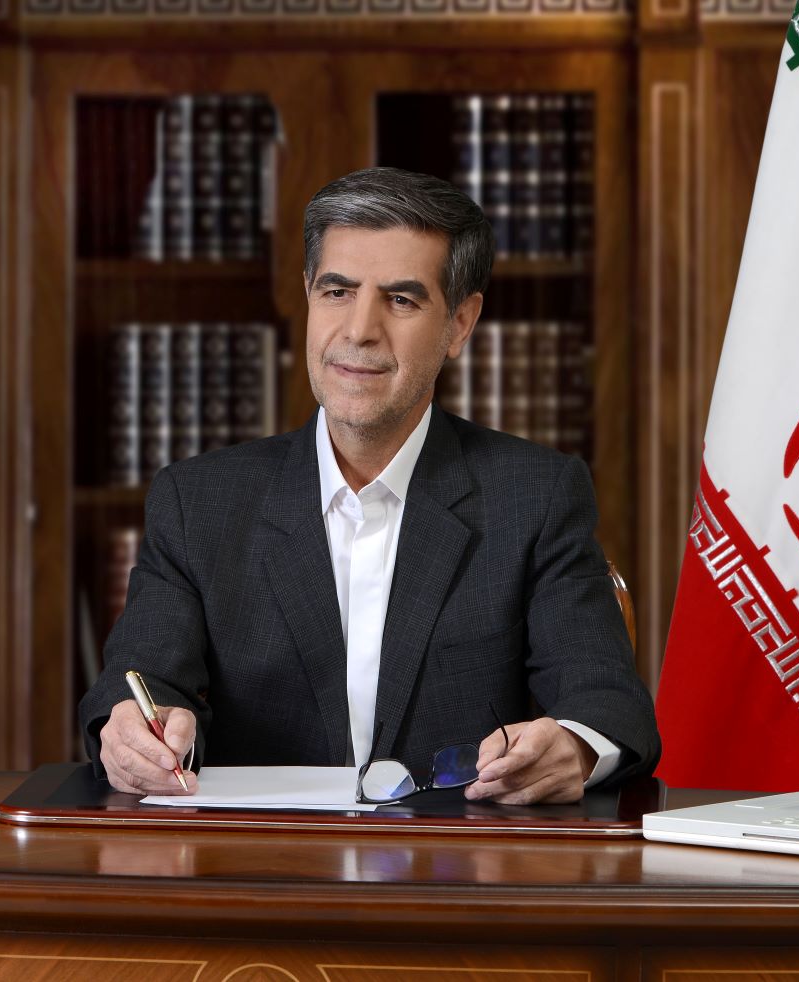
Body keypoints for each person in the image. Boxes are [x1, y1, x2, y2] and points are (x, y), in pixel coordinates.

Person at [79, 167, 660, 804]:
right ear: (307, 296)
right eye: (337, 291)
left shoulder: (535, 496)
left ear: (460, 324)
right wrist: (132, 733)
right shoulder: (199, 503)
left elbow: (605, 701)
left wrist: (573, 745)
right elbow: (139, 685)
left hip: (462, 858)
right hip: (260, 857)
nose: (359, 330)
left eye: (401, 300)